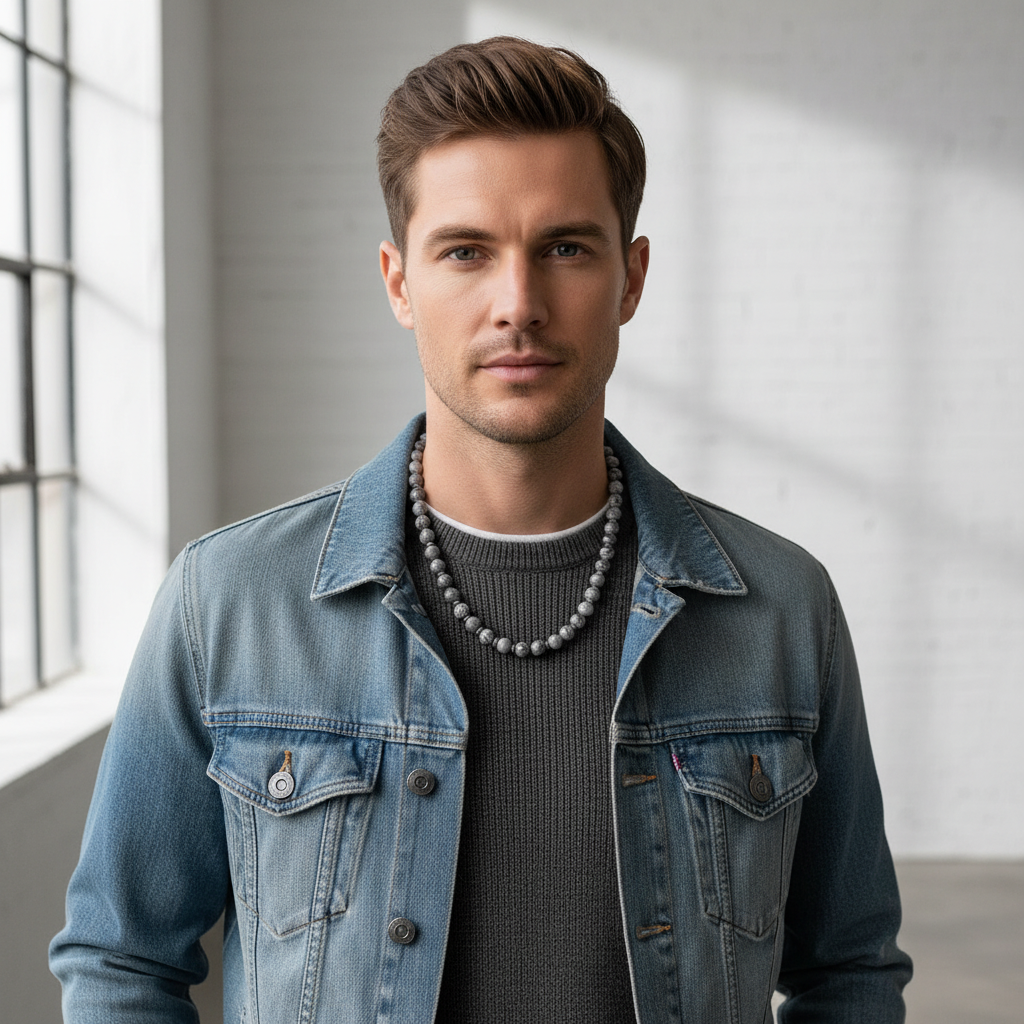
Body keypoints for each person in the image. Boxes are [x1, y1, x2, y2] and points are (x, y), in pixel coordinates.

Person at [51, 36, 911, 1023]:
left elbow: (847, 969)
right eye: (466, 251)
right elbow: (121, 958)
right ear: (398, 281)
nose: (519, 305)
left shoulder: (777, 609)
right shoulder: (230, 601)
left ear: (630, 279)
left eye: (565, 248)